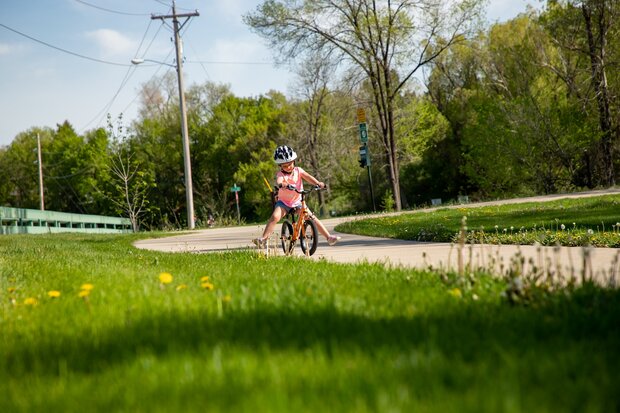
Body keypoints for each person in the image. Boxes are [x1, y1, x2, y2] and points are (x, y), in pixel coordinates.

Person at [253, 145, 341, 248]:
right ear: (280, 166)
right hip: (284, 203)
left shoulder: (299, 171)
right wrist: (282, 184)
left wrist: (318, 183)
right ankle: (263, 239)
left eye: (290, 164)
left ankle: (329, 237)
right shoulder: (281, 174)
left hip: (298, 202)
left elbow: (308, 177)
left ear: (294, 161)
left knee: (312, 217)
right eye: (285, 166)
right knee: (275, 216)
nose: (288, 167)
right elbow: (279, 181)